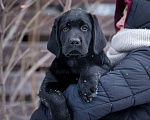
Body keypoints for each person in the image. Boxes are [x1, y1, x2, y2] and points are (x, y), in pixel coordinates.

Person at [30, 0, 150, 119]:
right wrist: (56, 103)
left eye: (84, 28)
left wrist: (90, 73)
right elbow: (47, 90)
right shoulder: (118, 55)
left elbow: (92, 101)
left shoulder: (145, 59)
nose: (74, 39)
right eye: (66, 29)